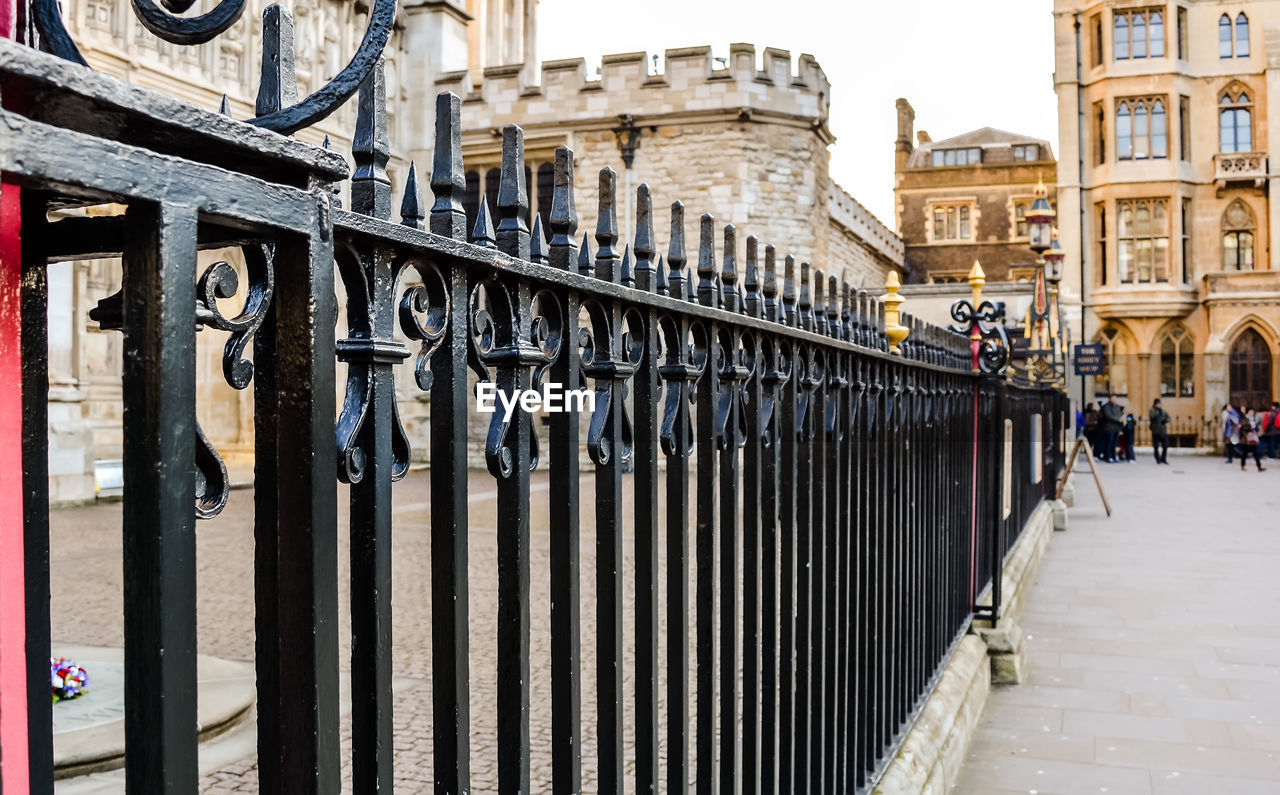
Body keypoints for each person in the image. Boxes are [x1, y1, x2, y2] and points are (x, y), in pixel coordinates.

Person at [1099, 395, 1124, 463]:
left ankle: (1113, 456)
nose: (1115, 399)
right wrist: (1117, 419)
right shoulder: (1107, 406)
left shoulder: (1117, 406)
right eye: (1113, 398)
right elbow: (1108, 415)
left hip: (1116, 428)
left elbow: (1120, 414)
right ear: (1110, 399)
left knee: (1114, 444)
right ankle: (1108, 456)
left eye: (1116, 398)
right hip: (1109, 428)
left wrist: (1121, 419)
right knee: (1109, 443)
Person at [1149, 398, 1171, 465]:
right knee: (1156, 446)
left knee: (1166, 444)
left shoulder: (1163, 411)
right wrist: (1157, 412)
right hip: (1155, 431)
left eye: (1160, 404)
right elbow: (1151, 417)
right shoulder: (1152, 410)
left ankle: (1163, 459)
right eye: (1158, 404)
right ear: (1155, 404)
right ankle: (1158, 459)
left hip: (1162, 431)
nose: (1159, 405)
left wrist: (1166, 420)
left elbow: (1168, 417)